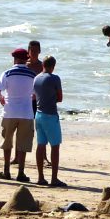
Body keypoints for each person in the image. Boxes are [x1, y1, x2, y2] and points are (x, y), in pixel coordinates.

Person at [0, 48, 36, 182]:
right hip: (26, 113)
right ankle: (21, 173)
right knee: (23, 144)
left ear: (15, 59)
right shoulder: (32, 74)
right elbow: (35, 94)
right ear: (26, 59)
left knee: (7, 142)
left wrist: (1, 98)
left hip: (9, 111)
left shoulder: (7, 73)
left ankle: (6, 170)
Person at [33, 56, 66, 187]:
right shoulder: (54, 78)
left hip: (38, 114)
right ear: (53, 66)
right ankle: (54, 178)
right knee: (55, 146)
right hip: (50, 115)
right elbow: (60, 98)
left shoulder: (36, 78)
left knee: (41, 145)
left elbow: (35, 96)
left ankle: (40, 177)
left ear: (43, 65)